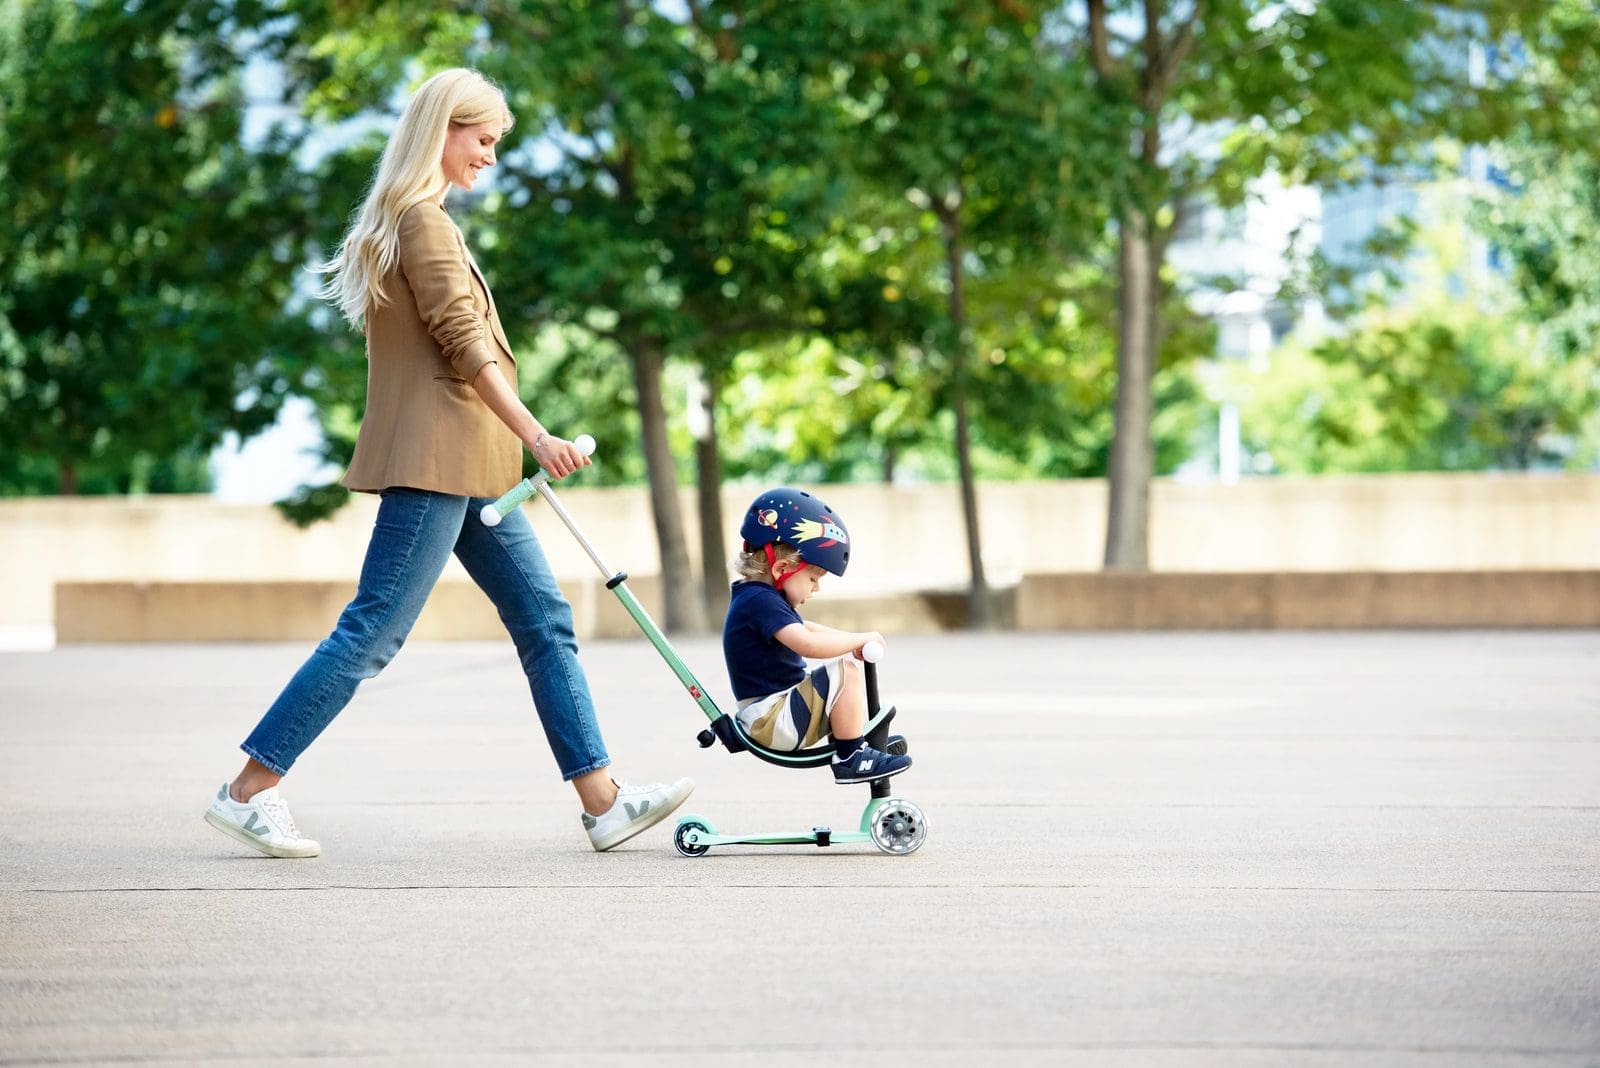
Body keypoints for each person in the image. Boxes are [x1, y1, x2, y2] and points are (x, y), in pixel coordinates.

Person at [203, 68, 692, 859]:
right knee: (374, 631)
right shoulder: (423, 223)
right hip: (437, 462)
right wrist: (537, 435)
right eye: (485, 139)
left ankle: (602, 802)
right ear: (445, 130)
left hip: (471, 467)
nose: (491, 158)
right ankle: (248, 791)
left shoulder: (413, 221)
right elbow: (465, 346)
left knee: (544, 620)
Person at [720, 487, 912, 784]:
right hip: (770, 720)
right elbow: (807, 643)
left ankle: (854, 743)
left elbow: (807, 628)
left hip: (774, 714)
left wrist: (856, 638)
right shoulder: (759, 600)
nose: (816, 588)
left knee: (841, 674)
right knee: (845, 672)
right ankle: (850, 756)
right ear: (782, 568)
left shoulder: (760, 598)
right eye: (813, 578)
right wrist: (856, 642)